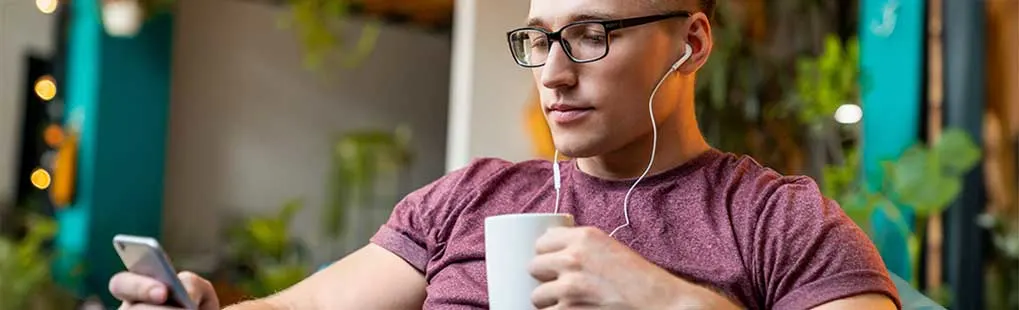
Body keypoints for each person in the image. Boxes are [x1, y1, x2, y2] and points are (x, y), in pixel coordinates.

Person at [110, 0, 902, 309]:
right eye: (538, 40)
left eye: (591, 36)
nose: (552, 73)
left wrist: (667, 302)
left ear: (689, 43)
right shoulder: (470, 196)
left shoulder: (778, 221)